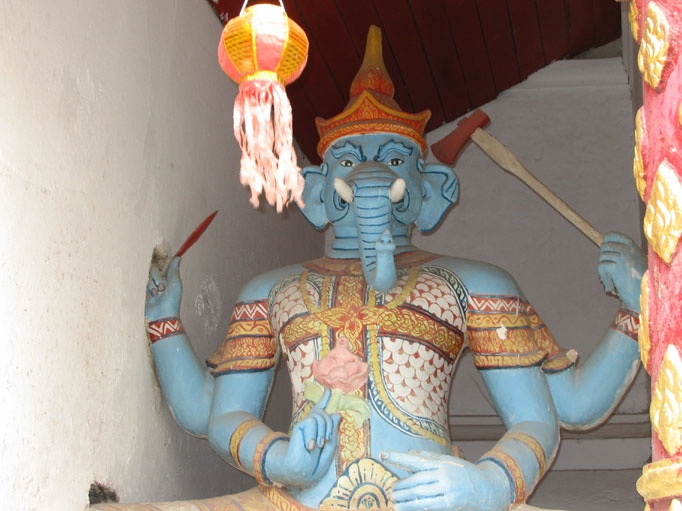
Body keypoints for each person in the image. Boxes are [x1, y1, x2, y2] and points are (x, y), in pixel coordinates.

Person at [107, 26, 644, 511]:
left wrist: (489, 484)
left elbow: (557, 411)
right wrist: (276, 456)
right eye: (348, 160)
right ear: (316, 193)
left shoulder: (475, 286)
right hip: (294, 501)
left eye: (392, 159)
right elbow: (212, 414)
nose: (369, 171)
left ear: (428, 192)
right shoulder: (271, 290)